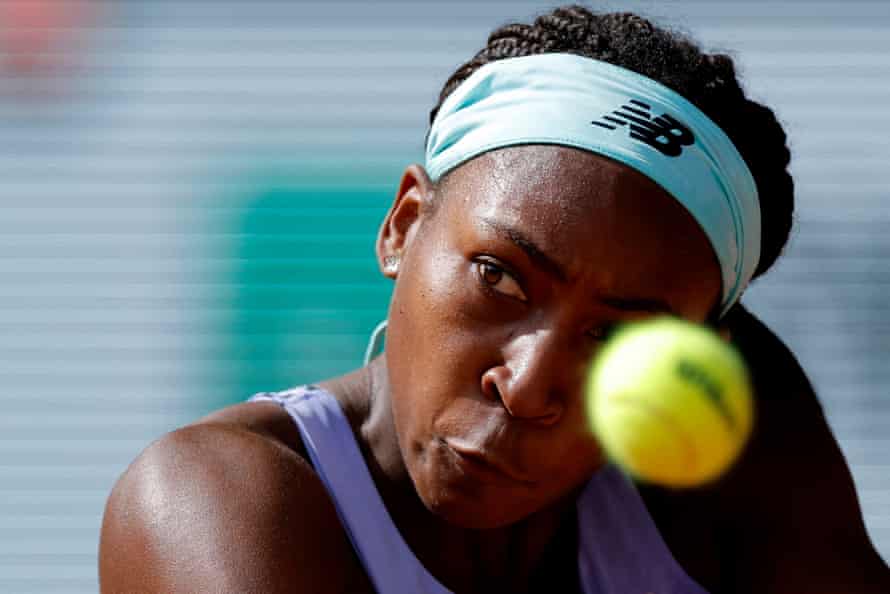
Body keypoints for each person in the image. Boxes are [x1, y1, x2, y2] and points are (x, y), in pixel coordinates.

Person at [99, 5, 890, 593]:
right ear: (403, 227)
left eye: (619, 339)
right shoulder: (207, 498)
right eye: (500, 277)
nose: (526, 385)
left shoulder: (735, 446)